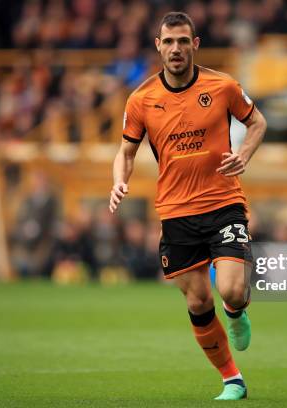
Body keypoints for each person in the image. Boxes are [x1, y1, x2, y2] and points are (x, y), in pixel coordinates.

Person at [109, 12, 267, 400]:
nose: (176, 49)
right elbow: (125, 151)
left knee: (230, 290)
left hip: (223, 202)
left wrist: (244, 154)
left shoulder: (223, 86)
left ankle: (236, 311)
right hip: (176, 212)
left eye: (183, 41)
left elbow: (258, 122)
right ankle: (232, 379)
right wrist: (119, 180)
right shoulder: (142, 99)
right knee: (197, 299)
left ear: (195, 45)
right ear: (158, 46)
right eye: (169, 42)